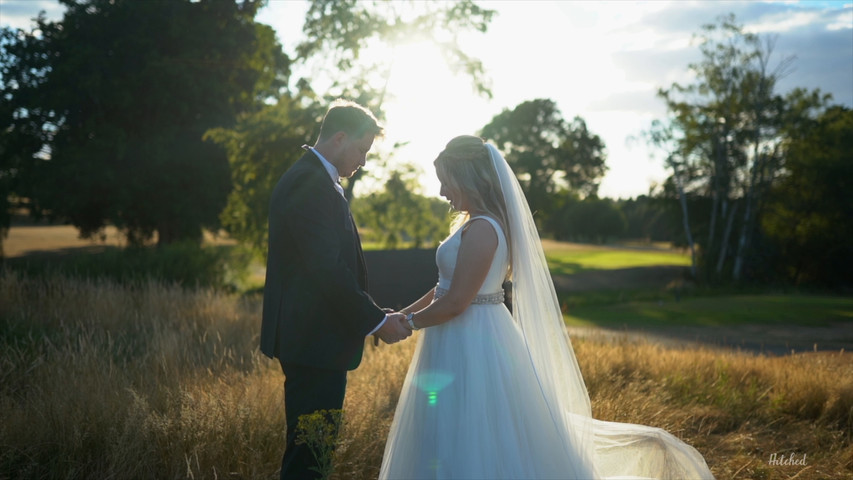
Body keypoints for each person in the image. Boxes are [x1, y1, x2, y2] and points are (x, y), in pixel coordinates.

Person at [379, 135, 715, 479]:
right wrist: (402, 314)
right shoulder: (471, 224)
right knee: (452, 427)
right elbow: (443, 288)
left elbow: (455, 303)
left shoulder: (482, 230)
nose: (441, 192)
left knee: (477, 426)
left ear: (467, 178)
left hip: (473, 341)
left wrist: (408, 324)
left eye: (446, 182)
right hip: (457, 336)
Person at [260, 99, 412, 480]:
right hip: (313, 341)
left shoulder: (317, 178)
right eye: (362, 149)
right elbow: (325, 269)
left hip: (316, 339)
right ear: (340, 138)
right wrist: (376, 320)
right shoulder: (309, 182)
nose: (363, 160)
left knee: (315, 448)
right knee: (310, 454)